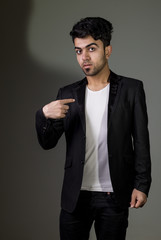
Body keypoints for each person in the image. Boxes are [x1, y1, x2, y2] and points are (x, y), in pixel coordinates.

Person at [35, 17, 151, 240]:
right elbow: (47, 143)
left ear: (107, 50)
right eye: (78, 51)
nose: (84, 57)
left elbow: (142, 141)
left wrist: (142, 185)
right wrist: (43, 115)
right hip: (75, 196)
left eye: (91, 48)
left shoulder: (131, 89)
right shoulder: (67, 94)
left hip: (114, 194)